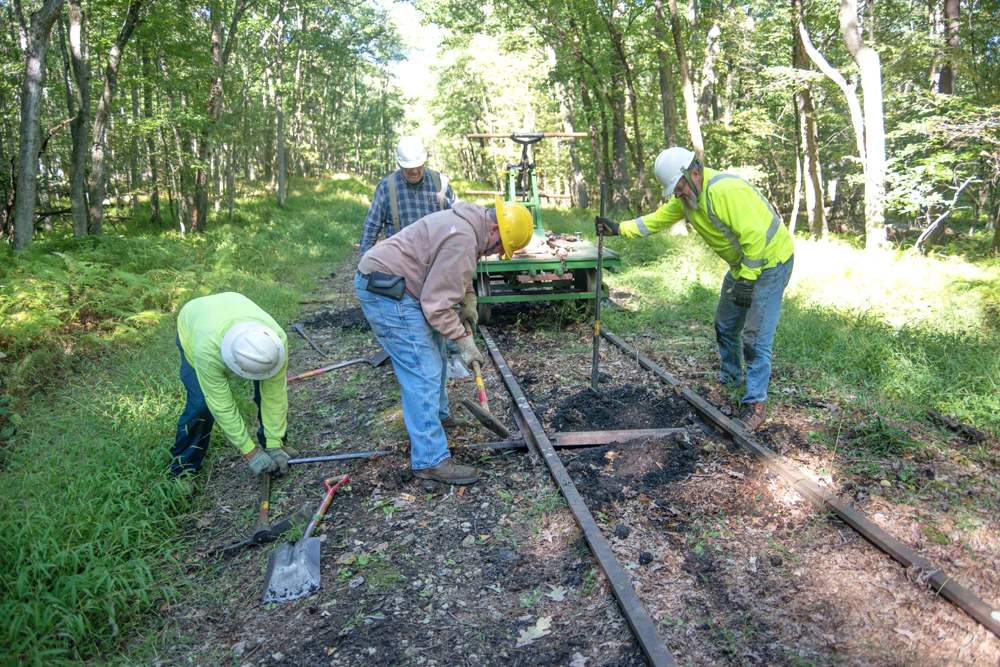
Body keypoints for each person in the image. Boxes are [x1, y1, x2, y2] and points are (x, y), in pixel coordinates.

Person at [595, 148, 795, 431]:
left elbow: (754, 237)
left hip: (772, 262)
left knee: (755, 338)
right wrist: (618, 228)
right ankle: (732, 381)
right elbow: (654, 220)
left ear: (695, 173)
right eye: (675, 191)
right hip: (744, 266)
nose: (678, 194)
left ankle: (756, 405)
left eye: (680, 188)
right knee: (725, 324)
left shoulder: (726, 192)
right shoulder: (688, 201)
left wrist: (748, 280)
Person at [355, 197, 533, 484]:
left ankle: (436, 416)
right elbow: (436, 306)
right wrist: (463, 340)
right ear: (495, 230)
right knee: (422, 368)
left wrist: (469, 297)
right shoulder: (463, 238)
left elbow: (454, 270)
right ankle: (430, 460)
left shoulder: (468, 224)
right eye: (501, 248)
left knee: (434, 353)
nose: (496, 253)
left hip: (400, 285)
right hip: (388, 292)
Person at [171, 292, 298, 488]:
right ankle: (182, 471)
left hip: (233, 305)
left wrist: (274, 443)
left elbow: (274, 395)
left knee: (266, 390)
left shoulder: (276, 340)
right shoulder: (208, 352)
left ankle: (274, 444)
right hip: (194, 321)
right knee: (201, 405)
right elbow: (221, 405)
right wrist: (250, 453)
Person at [359, 136, 458, 254]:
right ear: (399, 164)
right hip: (400, 259)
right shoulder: (386, 187)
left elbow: (461, 215)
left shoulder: (440, 182)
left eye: (418, 166)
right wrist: (365, 264)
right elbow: (371, 227)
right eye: (409, 168)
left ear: (424, 161)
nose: (415, 171)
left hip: (437, 258)